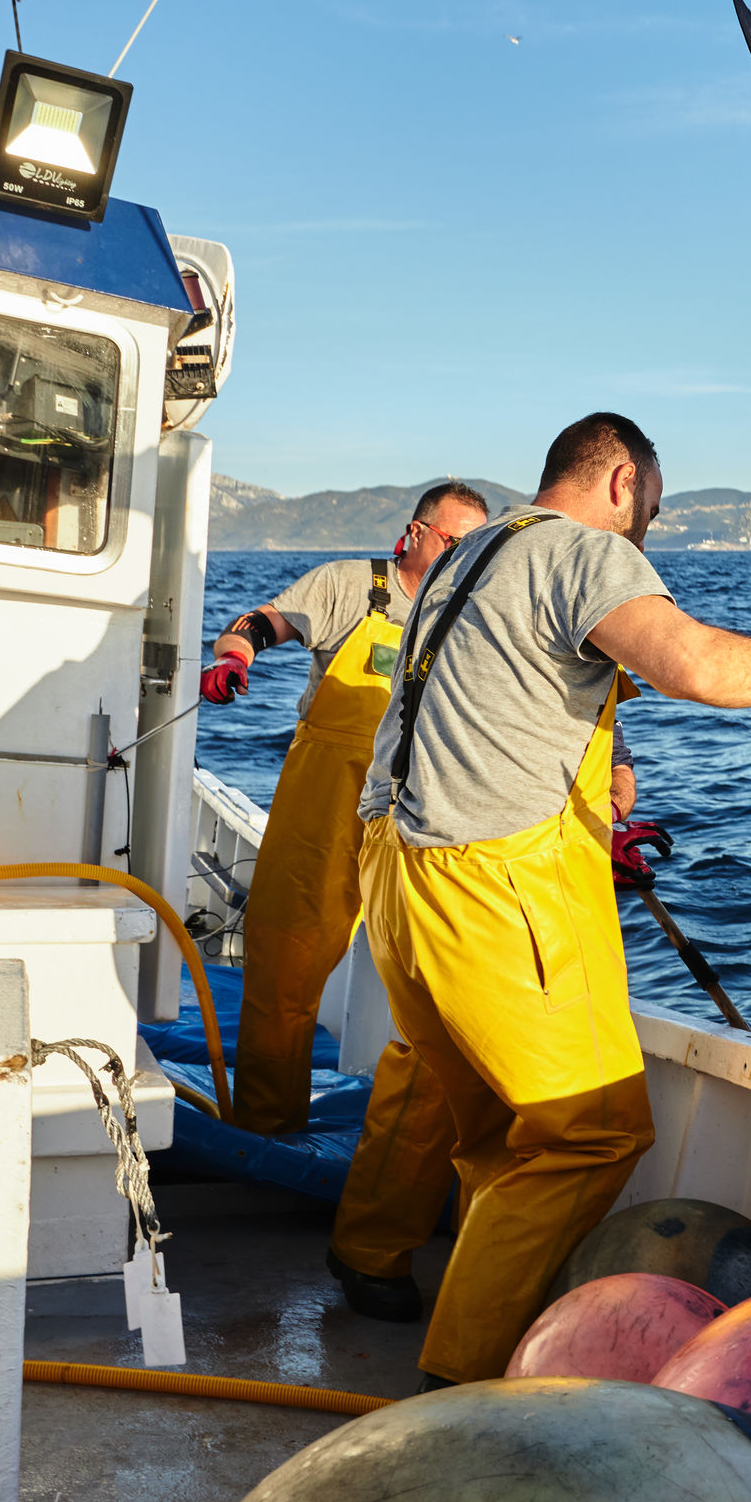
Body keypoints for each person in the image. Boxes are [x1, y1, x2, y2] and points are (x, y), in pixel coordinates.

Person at [341, 412, 751, 1388]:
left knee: (494, 1132)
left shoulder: (470, 553)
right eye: (649, 509)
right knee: (589, 1133)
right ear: (621, 482)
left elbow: (490, 704)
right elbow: (694, 664)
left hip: (397, 875)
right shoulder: (586, 552)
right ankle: (457, 1387)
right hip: (492, 886)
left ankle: (373, 1262)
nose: (646, 533)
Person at [200, 481, 490, 1139]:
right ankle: (266, 1131)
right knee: (286, 963)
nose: (461, 558)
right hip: (326, 799)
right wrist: (235, 657)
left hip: (422, 808)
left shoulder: (475, 615)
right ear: (415, 533)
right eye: (452, 541)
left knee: (444, 978)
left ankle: (424, 1142)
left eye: (474, 549)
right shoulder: (349, 585)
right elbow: (259, 623)